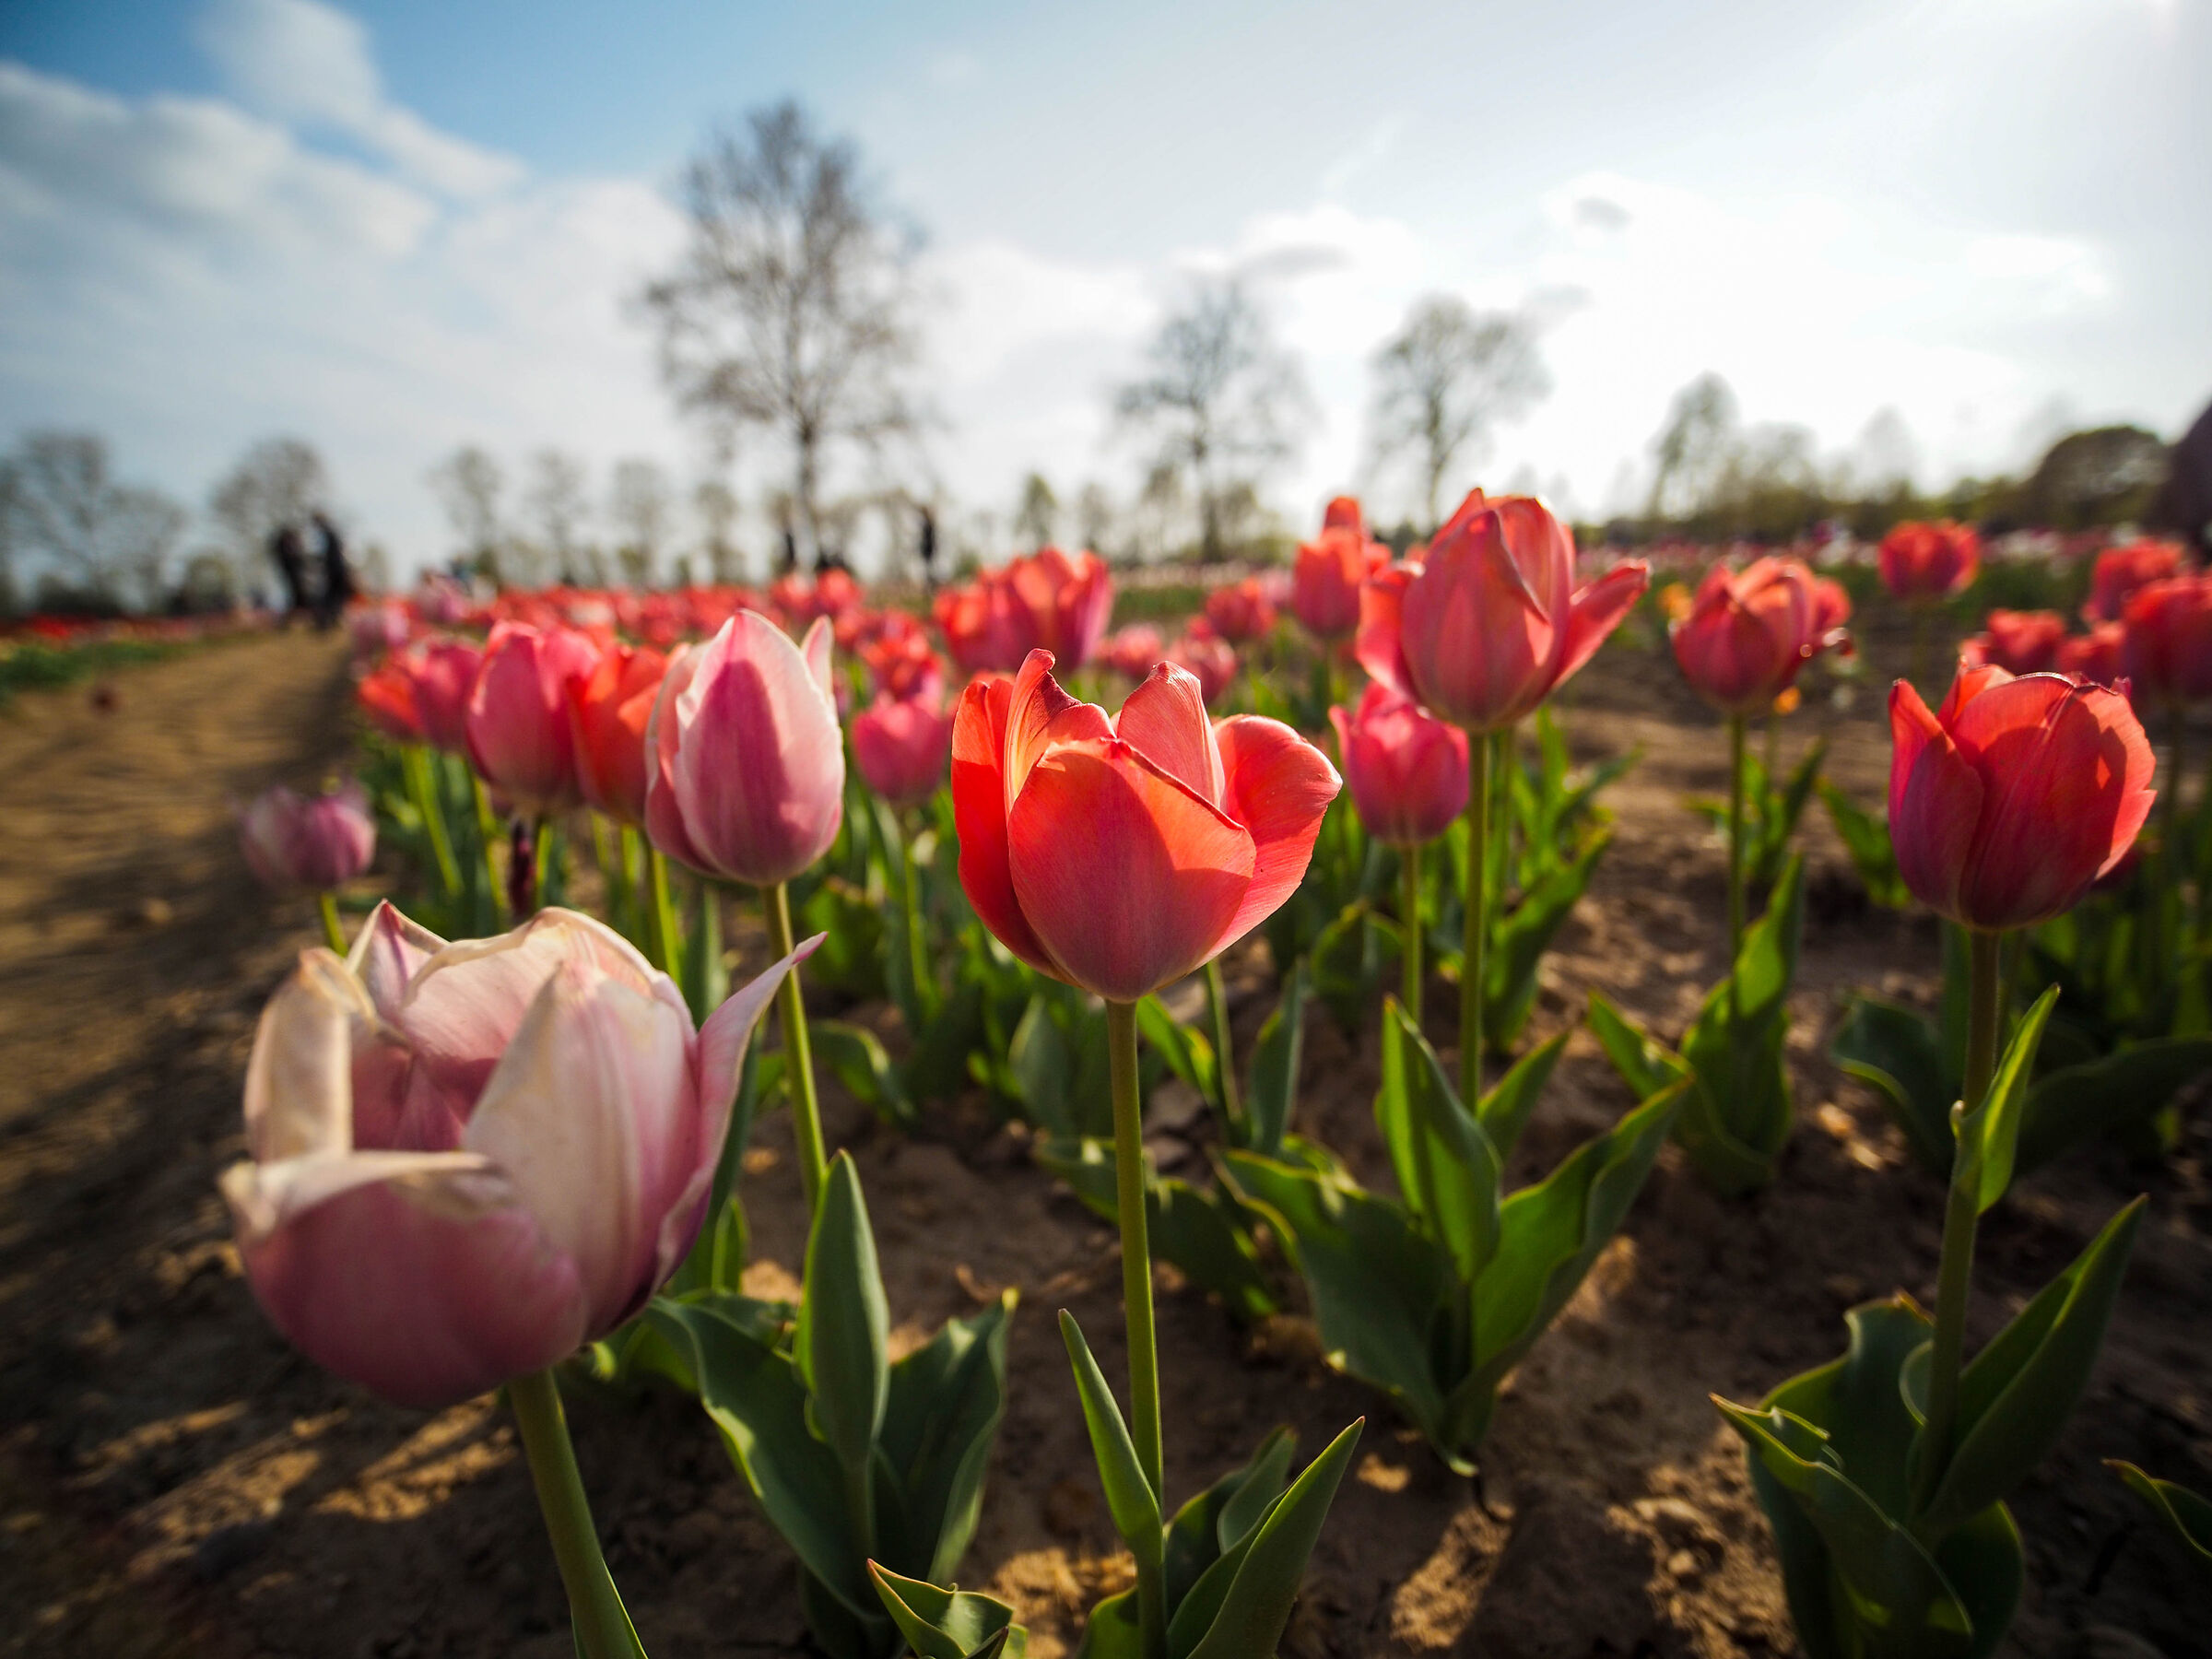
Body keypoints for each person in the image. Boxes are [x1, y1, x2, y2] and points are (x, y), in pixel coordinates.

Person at [312, 512, 354, 629]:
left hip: (334, 570)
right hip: (338, 569)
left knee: (332, 597)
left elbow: (328, 554)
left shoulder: (327, 533)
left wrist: (321, 562)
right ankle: (332, 620)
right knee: (336, 597)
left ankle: (327, 622)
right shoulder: (331, 532)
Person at [269, 523, 310, 622]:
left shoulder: (282, 546)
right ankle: (298, 613)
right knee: (295, 592)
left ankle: (299, 612)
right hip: (292, 574)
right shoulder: (286, 547)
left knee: (296, 592)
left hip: (292, 573)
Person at [918, 504, 938, 592]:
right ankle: (929, 584)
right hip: (928, 549)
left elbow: (929, 538)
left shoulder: (928, 524)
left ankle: (930, 585)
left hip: (928, 548)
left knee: (929, 568)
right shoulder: (928, 523)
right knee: (928, 568)